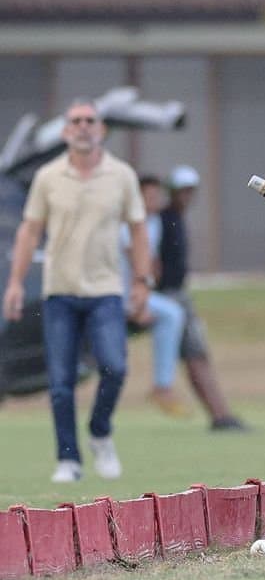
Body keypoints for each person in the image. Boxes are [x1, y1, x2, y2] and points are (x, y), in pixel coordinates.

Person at [3, 99, 152, 482]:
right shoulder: (48, 177)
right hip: (60, 292)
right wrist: (16, 283)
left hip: (105, 291)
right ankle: (69, 459)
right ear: (67, 131)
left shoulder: (121, 176)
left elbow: (137, 230)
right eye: (76, 121)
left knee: (115, 367)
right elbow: (30, 231)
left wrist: (140, 281)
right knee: (60, 382)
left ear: (100, 130)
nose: (83, 126)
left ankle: (100, 432)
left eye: (90, 121)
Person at [159, 164, 248, 430]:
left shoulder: (177, 218)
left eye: (190, 191)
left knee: (197, 355)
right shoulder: (164, 220)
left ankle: (220, 414)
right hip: (168, 297)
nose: (186, 196)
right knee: (196, 355)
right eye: (181, 190)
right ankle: (220, 416)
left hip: (177, 294)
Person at [121, 174, 189, 417]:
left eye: (156, 196)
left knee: (172, 314)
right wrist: (140, 304)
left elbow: (151, 264)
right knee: (171, 314)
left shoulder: (155, 222)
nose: (154, 201)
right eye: (148, 196)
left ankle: (162, 386)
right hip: (118, 293)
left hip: (139, 292)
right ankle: (162, 386)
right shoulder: (126, 223)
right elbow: (134, 261)